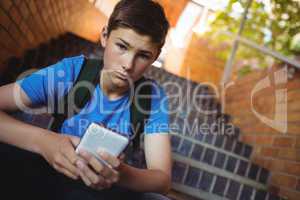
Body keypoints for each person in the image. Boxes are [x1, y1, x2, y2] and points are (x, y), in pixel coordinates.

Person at [0, 0, 172, 199]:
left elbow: (162, 180)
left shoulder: (153, 99)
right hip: (53, 171)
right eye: (122, 46)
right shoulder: (72, 72)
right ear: (105, 36)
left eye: (143, 55)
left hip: (103, 189)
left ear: (155, 57)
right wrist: (43, 141)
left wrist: (120, 174)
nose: (128, 64)